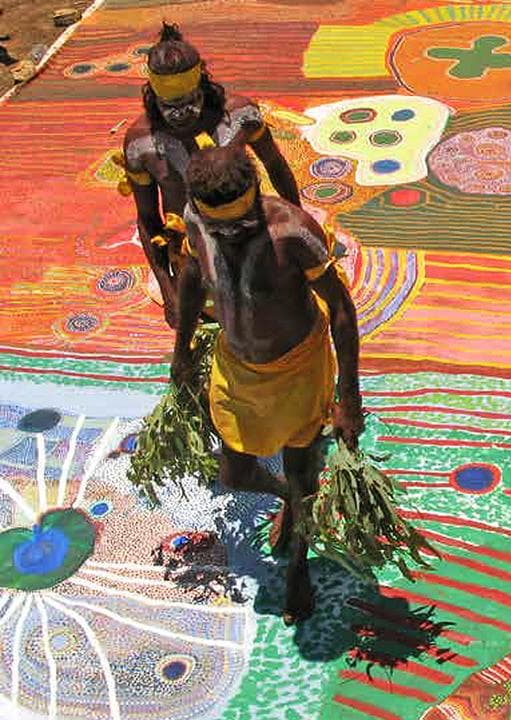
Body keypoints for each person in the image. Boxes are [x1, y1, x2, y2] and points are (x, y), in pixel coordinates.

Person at [169, 145, 360, 625]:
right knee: (234, 473)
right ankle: (288, 499)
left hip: (299, 369)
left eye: (241, 226)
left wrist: (349, 397)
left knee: (302, 470)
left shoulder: (292, 232)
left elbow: (341, 308)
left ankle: (299, 564)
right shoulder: (195, 220)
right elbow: (191, 276)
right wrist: (182, 349)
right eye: (220, 230)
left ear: (256, 197)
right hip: (237, 367)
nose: (230, 237)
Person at [122, 23, 300, 328]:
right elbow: (148, 219)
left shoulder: (240, 116)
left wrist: (295, 227)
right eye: (170, 106)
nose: (181, 114)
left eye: (190, 102)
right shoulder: (141, 144)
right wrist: (169, 291)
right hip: (193, 258)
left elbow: (276, 165)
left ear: (203, 88)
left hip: (253, 240)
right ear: (153, 98)